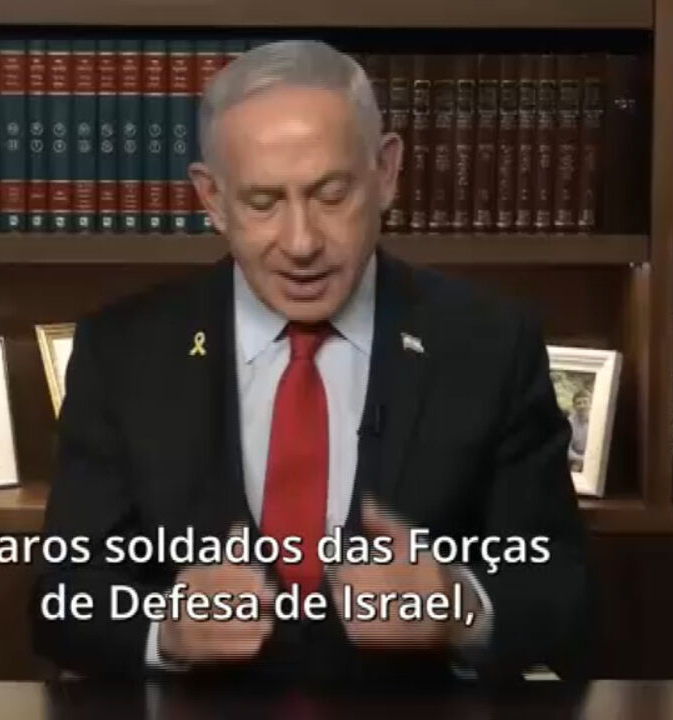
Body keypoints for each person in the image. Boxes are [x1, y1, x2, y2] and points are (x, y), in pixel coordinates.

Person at [33, 40, 591, 687]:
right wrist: (165, 628)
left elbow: (561, 590)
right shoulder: (123, 351)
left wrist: (458, 607)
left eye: (331, 194)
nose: (302, 244)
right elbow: (62, 599)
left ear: (386, 173)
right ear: (212, 199)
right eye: (263, 202)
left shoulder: (490, 342)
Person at [567, 389, 591, 472]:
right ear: (574, 406)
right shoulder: (569, 423)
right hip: (575, 459)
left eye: (585, 402)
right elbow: (566, 449)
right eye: (578, 403)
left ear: (590, 404)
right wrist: (582, 459)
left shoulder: (598, 421)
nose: (582, 406)